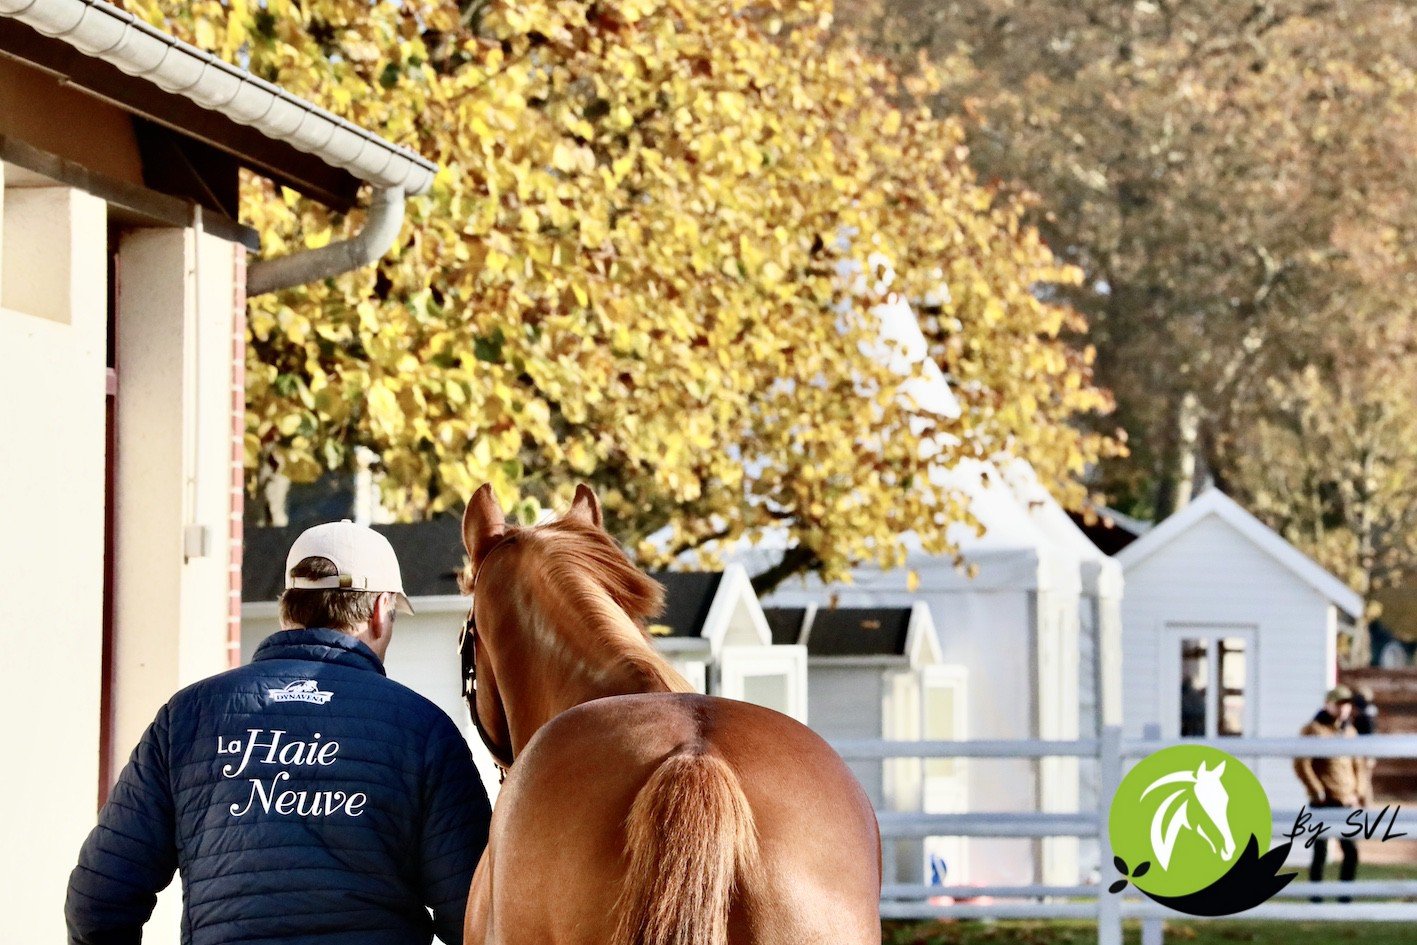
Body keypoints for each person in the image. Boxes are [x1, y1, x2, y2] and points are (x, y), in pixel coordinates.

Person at [66, 521, 491, 945]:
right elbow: (477, 917)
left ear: (288, 610)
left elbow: (97, 903)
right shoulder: (425, 731)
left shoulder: (186, 719)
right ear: (381, 611)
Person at [1294, 684, 1366, 898]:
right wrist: (1317, 790)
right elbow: (1301, 764)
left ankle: (1345, 897)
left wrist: (1358, 791)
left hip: (1346, 801)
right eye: (1339, 704)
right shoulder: (1314, 730)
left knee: (1351, 852)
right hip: (1323, 801)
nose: (1344, 708)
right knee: (1321, 851)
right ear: (1328, 704)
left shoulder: (1350, 732)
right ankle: (1316, 897)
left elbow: (1358, 764)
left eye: (1347, 704)